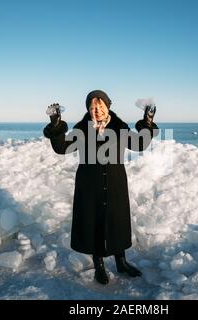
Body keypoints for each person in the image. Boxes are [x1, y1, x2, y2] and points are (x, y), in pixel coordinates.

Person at [43, 90, 158, 285]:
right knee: (94, 222)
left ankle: (121, 262)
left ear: (107, 106)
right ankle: (99, 267)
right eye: (92, 107)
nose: (96, 110)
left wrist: (147, 123)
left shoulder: (120, 127)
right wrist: (56, 125)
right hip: (89, 185)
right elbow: (62, 147)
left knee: (116, 222)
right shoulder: (82, 129)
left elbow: (139, 144)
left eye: (100, 106)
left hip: (115, 184)